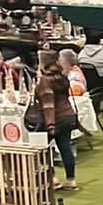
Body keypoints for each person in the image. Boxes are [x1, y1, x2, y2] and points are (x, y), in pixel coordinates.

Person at [34, 52, 80, 191]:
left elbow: (48, 104)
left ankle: (52, 179)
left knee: (40, 148)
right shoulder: (61, 76)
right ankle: (71, 179)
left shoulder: (45, 80)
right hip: (67, 116)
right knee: (65, 147)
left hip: (54, 118)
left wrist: (50, 124)